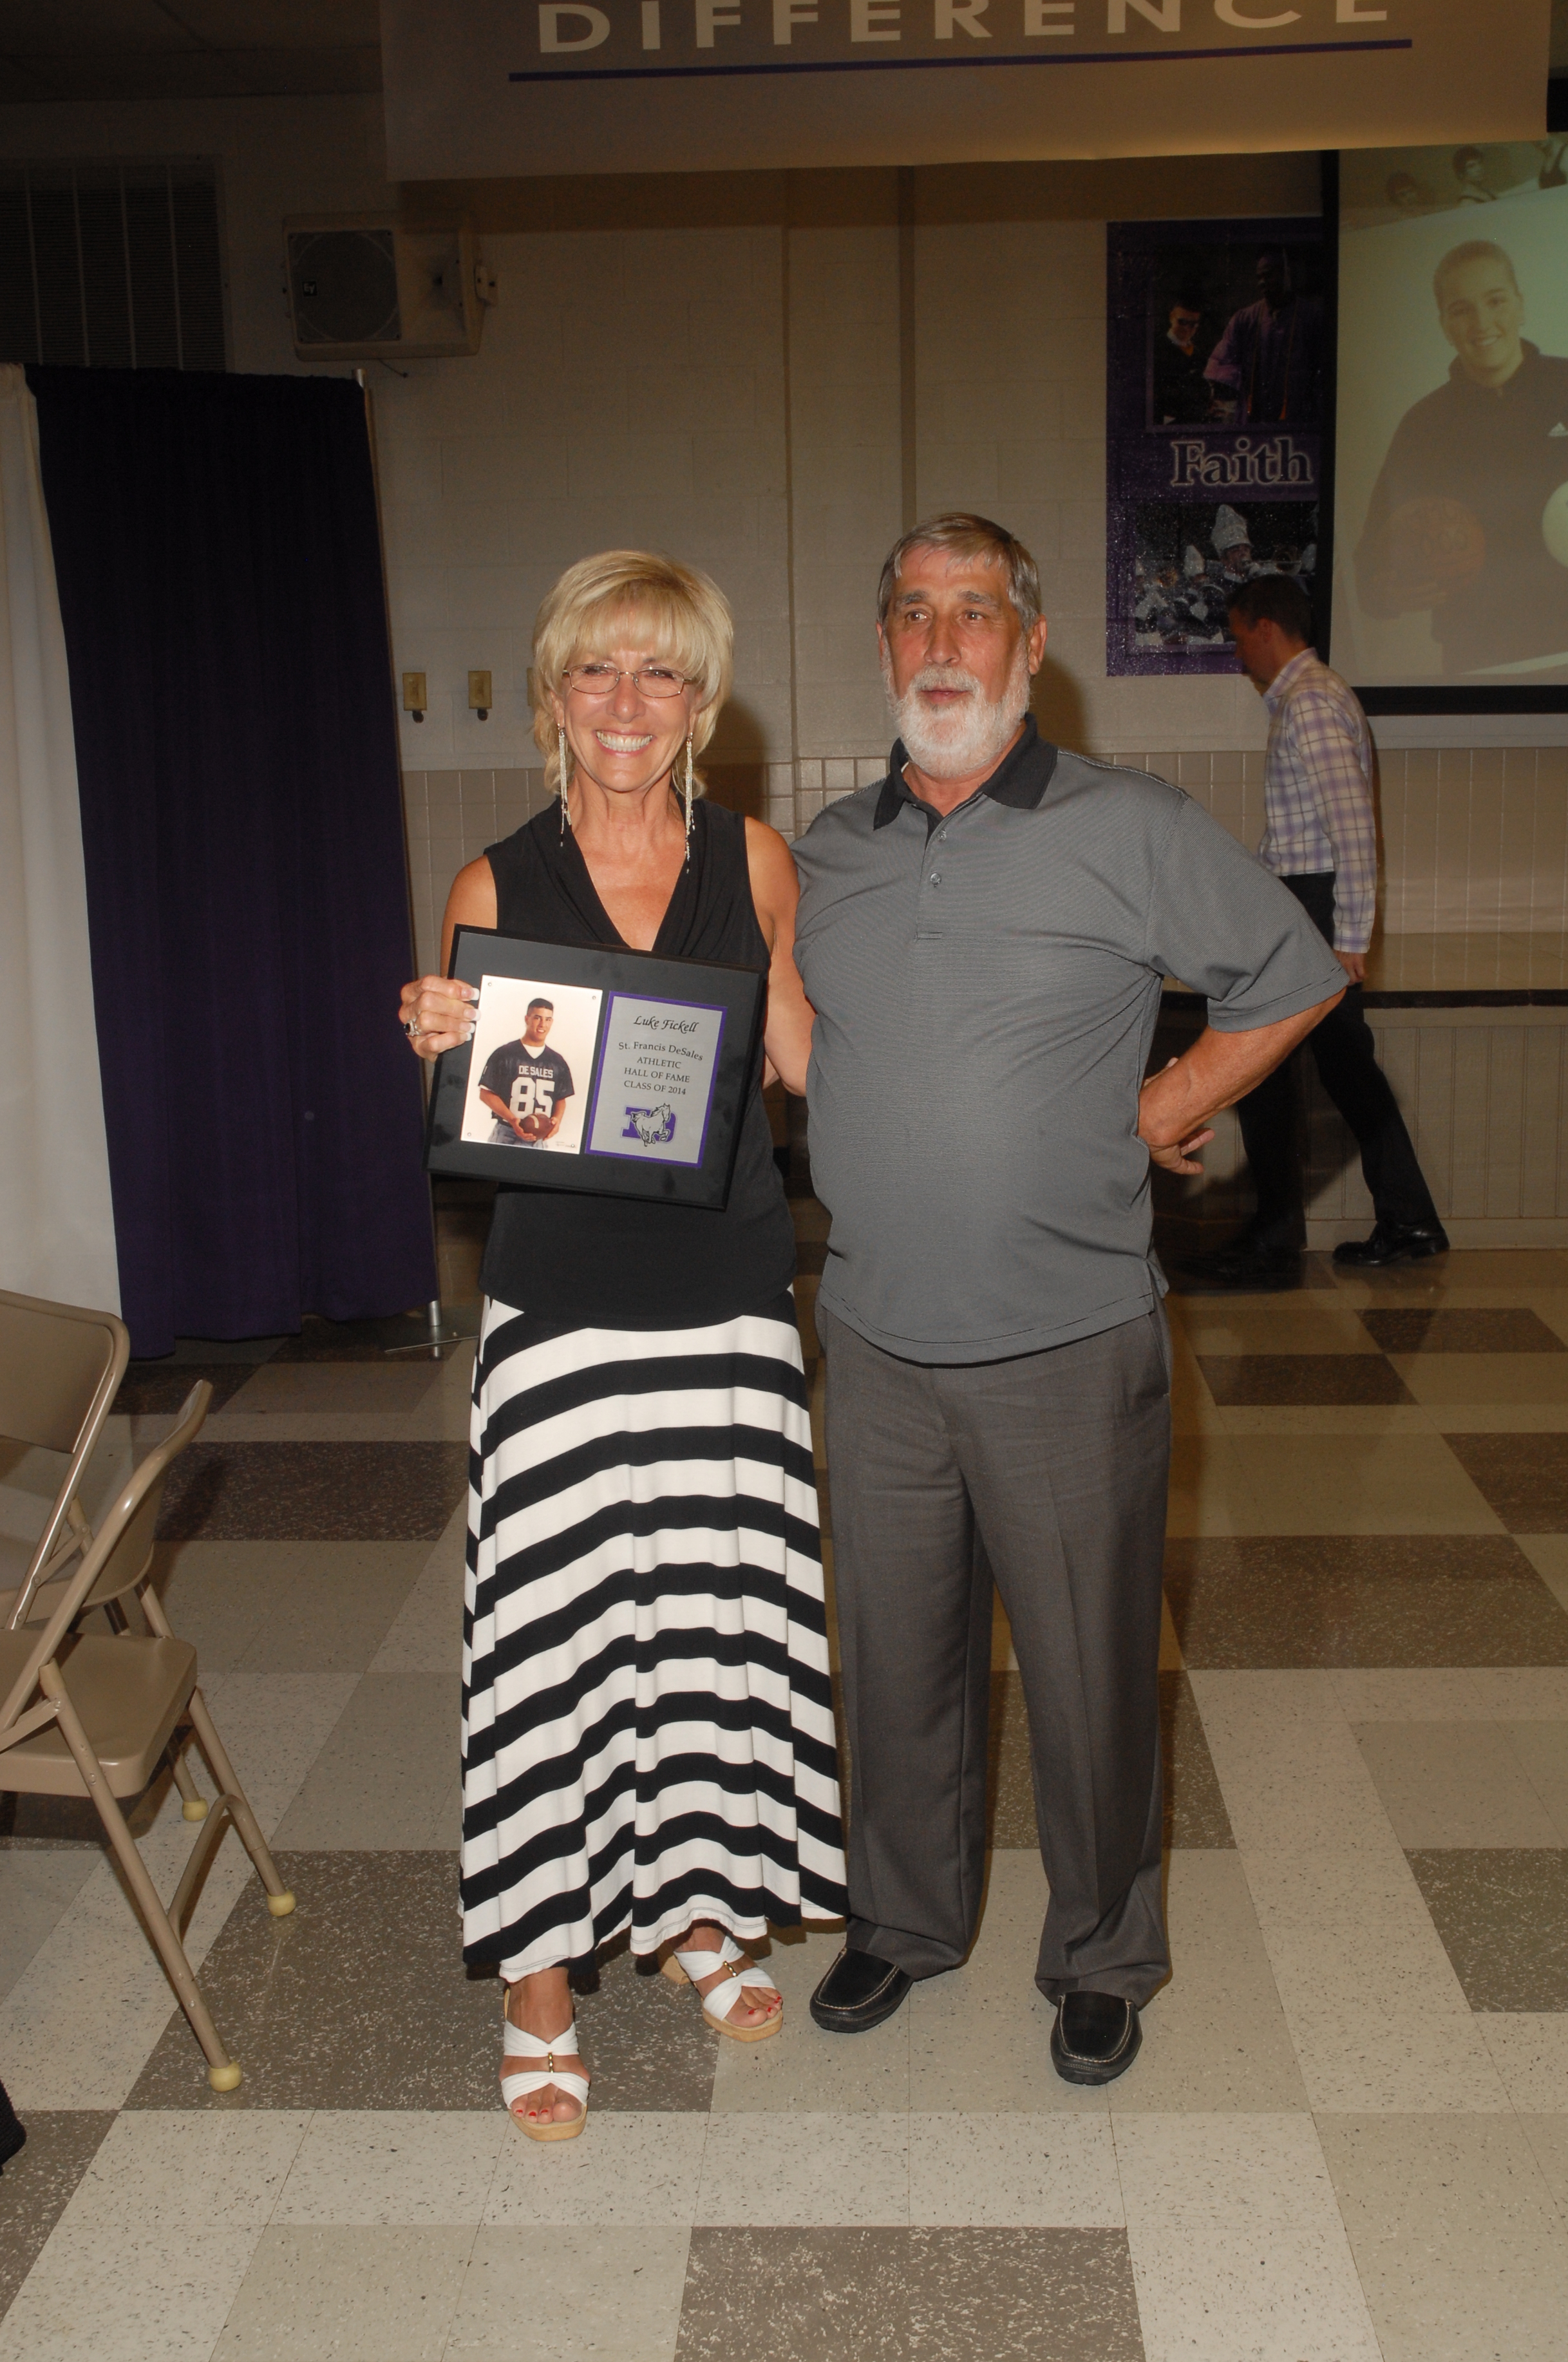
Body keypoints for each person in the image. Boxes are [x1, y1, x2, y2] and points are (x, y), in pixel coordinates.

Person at [791, 514, 1344, 2083]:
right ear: (885, 646)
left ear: (1031, 649)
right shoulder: (828, 851)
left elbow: (1295, 970)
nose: (944, 641)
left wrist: (1175, 1083)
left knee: (1094, 1672)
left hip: (1068, 1339)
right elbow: (768, 1017)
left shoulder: (1130, 823)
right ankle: (903, 1920)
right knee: (895, 1658)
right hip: (879, 1338)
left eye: (976, 613)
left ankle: (1102, 1948)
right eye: (915, 612)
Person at [400, 551, 847, 2140]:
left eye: (660, 673)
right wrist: (435, 1042)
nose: (628, 704)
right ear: (555, 691)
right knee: (556, 1643)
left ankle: (695, 1906)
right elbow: (465, 1109)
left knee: (716, 1624)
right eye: (598, 670)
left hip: (729, 1303)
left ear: (700, 698)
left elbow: (799, 1057)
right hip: (566, 1313)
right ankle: (538, 1977)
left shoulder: (757, 856)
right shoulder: (493, 885)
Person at [1182, 575, 1449, 1289]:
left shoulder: (1310, 704)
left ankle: (1276, 1242)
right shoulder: (1313, 699)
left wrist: (1350, 938)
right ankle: (1406, 1218)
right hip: (1305, 903)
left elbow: (1351, 832)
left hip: (1319, 908)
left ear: (1267, 627)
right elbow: (1305, 838)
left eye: (1239, 634)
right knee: (1339, 1068)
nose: (1238, 651)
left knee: (1262, 1063)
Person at [1354, 240, 1568, 679]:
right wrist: (1390, 592)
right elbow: (1369, 570)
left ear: (1520, 306)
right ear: (1444, 325)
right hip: (1486, 670)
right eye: (1461, 309)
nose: (1482, 322)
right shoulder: (1424, 425)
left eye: (1496, 301)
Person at [1205, 249, 1325, 426]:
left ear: (1286, 274)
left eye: (1269, 276)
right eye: (1259, 277)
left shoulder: (1312, 316)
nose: (1262, 283)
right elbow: (1221, 364)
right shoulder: (1244, 319)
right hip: (1253, 420)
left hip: (1299, 420)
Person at [478, 996, 574, 1146]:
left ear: (552, 1022)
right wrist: (512, 1119)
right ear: (527, 1019)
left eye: (548, 1019)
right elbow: (485, 1094)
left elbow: (561, 1098)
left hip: (540, 1140)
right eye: (538, 1018)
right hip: (507, 1133)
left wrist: (557, 1120)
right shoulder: (505, 1054)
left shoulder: (558, 1061)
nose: (543, 1024)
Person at [1153, 296, 1219, 425]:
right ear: (1172, 317)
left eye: (1193, 324)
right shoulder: (1156, 349)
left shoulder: (1199, 354)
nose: (1187, 328)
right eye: (1182, 322)